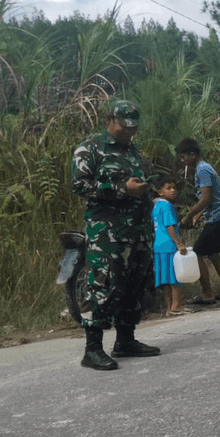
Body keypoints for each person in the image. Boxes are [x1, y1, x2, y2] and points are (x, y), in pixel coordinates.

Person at [69, 99, 161, 370]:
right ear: (109, 119)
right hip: (107, 234)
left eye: (133, 128)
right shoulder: (90, 149)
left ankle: (125, 340)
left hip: (138, 231)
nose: (129, 132)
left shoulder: (134, 151)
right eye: (124, 127)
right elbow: (80, 185)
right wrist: (121, 189)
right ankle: (93, 349)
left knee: (134, 285)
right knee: (103, 287)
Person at [176, 137, 220, 303]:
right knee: (213, 254)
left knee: (197, 253)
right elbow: (213, 197)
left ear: (192, 154)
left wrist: (189, 215)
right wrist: (199, 215)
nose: (183, 160)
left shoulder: (202, 169)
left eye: (184, 157)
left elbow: (207, 198)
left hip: (219, 217)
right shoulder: (204, 168)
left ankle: (207, 293)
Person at [152, 176, 188, 316]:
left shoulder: (155, 205)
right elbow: (169, 226)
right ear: (160, 192)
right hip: (169, 244)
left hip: (158, 246)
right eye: (169, 188)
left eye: (174, 188)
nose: (173, 191)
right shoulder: (167, 206)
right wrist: (179, 243)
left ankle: (169, 308)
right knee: (175, 276)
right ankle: (177, 305)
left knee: (165, 278)